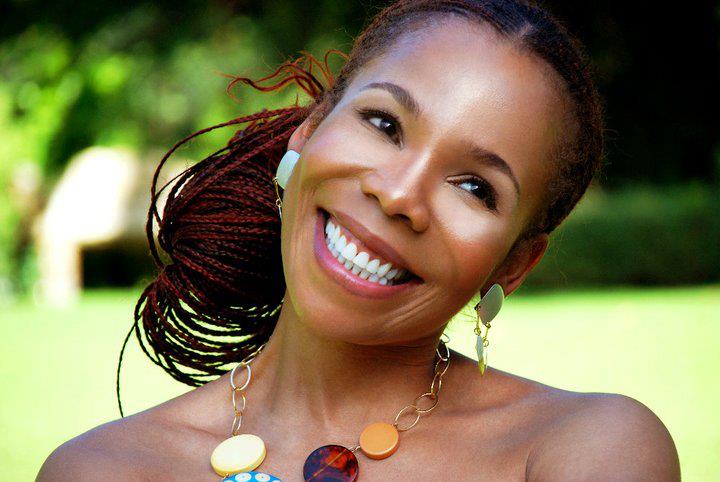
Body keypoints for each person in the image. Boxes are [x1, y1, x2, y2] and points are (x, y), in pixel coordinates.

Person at [38, 0, 681, 480]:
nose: (399, 195)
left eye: (475, 187)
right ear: (309, 131)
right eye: (384, 123)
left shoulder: (588, 449)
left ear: (514, 265)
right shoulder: (102, 469)